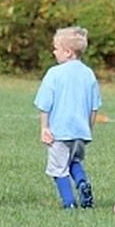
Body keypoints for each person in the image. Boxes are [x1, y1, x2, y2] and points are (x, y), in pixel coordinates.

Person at [34, 26, 101, 209]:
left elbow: (44, 104)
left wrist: (44, 128)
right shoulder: (89, 74)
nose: (54, 52)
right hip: (81, 131)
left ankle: (69, 202)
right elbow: (94, 107)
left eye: (56, 48)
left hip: (60, 131)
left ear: (68, 52)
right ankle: (81, 183)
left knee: (58, 169)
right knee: (73, 161)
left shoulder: (54, 73)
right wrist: (89, 129)